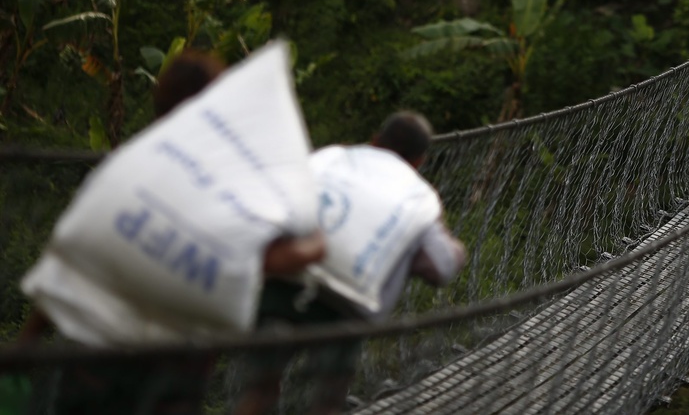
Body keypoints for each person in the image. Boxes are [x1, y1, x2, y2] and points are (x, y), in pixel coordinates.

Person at [16, 50, 327, 414]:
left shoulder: (127, 168)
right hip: (176, 370)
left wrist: (27, 342)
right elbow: (274, 259)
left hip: (92, 360)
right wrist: (314, 235)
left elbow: (72, 260)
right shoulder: (233, 191)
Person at [235, 111, 466, 415]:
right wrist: (452, 245)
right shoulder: (419, 196)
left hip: (285, 283)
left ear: (374, 140)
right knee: (328, 401)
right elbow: (440, 266)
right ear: (420, 161)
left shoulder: (330, 157)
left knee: (259, 391)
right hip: (344, 308)